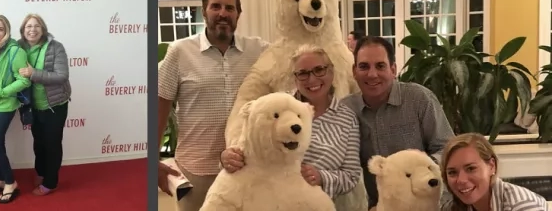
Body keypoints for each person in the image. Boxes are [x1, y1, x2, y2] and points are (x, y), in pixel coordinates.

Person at [157, 0, 268, 211]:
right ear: (204, 11)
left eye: (230, 8)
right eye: (215, 6)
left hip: (246, 169)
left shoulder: (259, 50)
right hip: (196, 172)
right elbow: (159, 108)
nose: (223, 13)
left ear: (238, 14)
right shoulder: (179, 51)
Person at [220, 45, 366, 211]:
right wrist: (228, 156)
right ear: (295, 79)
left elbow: (351, 174)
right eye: (303, 73)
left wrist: (322, 177)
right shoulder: (274, 108)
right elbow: (248, 144)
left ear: (331, 72)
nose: (312, 79)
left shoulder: (347, 118)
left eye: (319, 70)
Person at [342, 37, 453, 208]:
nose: (372, 74)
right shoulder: (345, 110)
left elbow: (447, 150)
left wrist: (420, 170)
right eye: (364, 66)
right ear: (354, 71)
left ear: (393, 69)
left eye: (380, 66)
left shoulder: (419, 99)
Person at [18, 14, 72, 196]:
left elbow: (61, 76)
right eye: (28, 27)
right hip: (33, 106)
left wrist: (34, 73)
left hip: (55, 105)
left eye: (36, 26)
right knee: (38, 143)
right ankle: (40, 172)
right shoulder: (19, 47)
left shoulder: (56, 47)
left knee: (52, 144)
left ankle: (51, 182)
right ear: (23, 31)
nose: (32, 30)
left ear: (43, 29)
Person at [0, 14, 30, 204]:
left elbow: (24, 80)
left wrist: (1, 93)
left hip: (3, 104)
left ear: (7, 30)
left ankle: (10, 182)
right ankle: (0, 179)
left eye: (0, 29)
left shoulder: (15, 51)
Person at [441, 133, 547, 211]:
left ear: (492, 166)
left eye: (471, 169)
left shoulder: (522, 205)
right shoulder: (452, 207)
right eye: (452, 172)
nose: (461, 180)